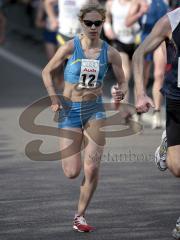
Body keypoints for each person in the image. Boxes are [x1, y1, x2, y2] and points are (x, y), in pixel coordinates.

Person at [42, 2, 127, 232]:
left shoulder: (110, 53)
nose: (92, 27)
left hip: (95, 110)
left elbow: (122, 80)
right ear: (82, 23)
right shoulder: (70, 47)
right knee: (72, 172)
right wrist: (54, 98)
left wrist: (120, 91)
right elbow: (47, 71)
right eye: (88, 23)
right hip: (70, 111)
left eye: (97, 23)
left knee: (92, 168)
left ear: (102, 24)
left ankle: (80, 216)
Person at [132, 7, 180, 239]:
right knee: (177, 168)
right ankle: (167, 142)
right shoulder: (172, 20)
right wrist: (140, 93)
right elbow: (139, 53)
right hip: (177, 100)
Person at [126, 0, 168, 128]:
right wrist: (140, 12)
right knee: (142, 77)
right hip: (146, 39)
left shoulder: (164, 2)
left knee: (159, 75)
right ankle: (139, 111)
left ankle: (157, 112)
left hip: (161, 40)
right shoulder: (138, 2)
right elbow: (127, 22)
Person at [104, 0, 139, 103]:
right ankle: (121, 101)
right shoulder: (111, 3)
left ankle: (119, 97)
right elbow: (106, 17)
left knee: (129, 77)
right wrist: (107, 28)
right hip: (118, 41)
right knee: (126, 73)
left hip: (134, 42)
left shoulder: (136, 3)